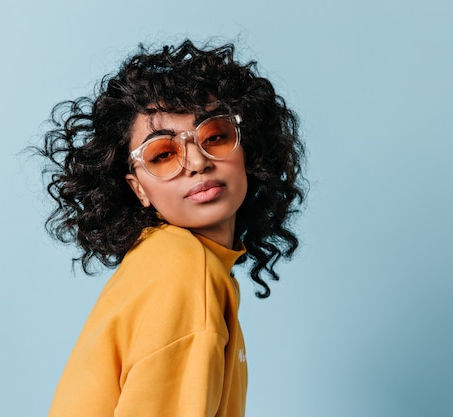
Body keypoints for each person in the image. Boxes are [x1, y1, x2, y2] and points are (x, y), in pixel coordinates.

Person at [38, 39, 306, 417]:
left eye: (215, 136)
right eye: (162, 154)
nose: (197, 162)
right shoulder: (185, 272)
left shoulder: (169, 260)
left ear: (248, 150)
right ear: (137, 189)